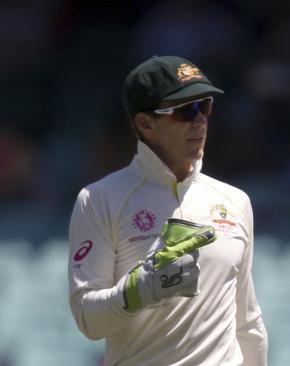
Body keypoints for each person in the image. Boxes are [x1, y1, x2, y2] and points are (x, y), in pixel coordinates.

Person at [67, 55, 268, 366]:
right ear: (145, 124)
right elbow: (88, 320)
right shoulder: (99, 199)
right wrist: (140, 289)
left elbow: (248, 321)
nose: (200, 120)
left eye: (205, 106)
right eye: (184, 110)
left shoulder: (234, 200)